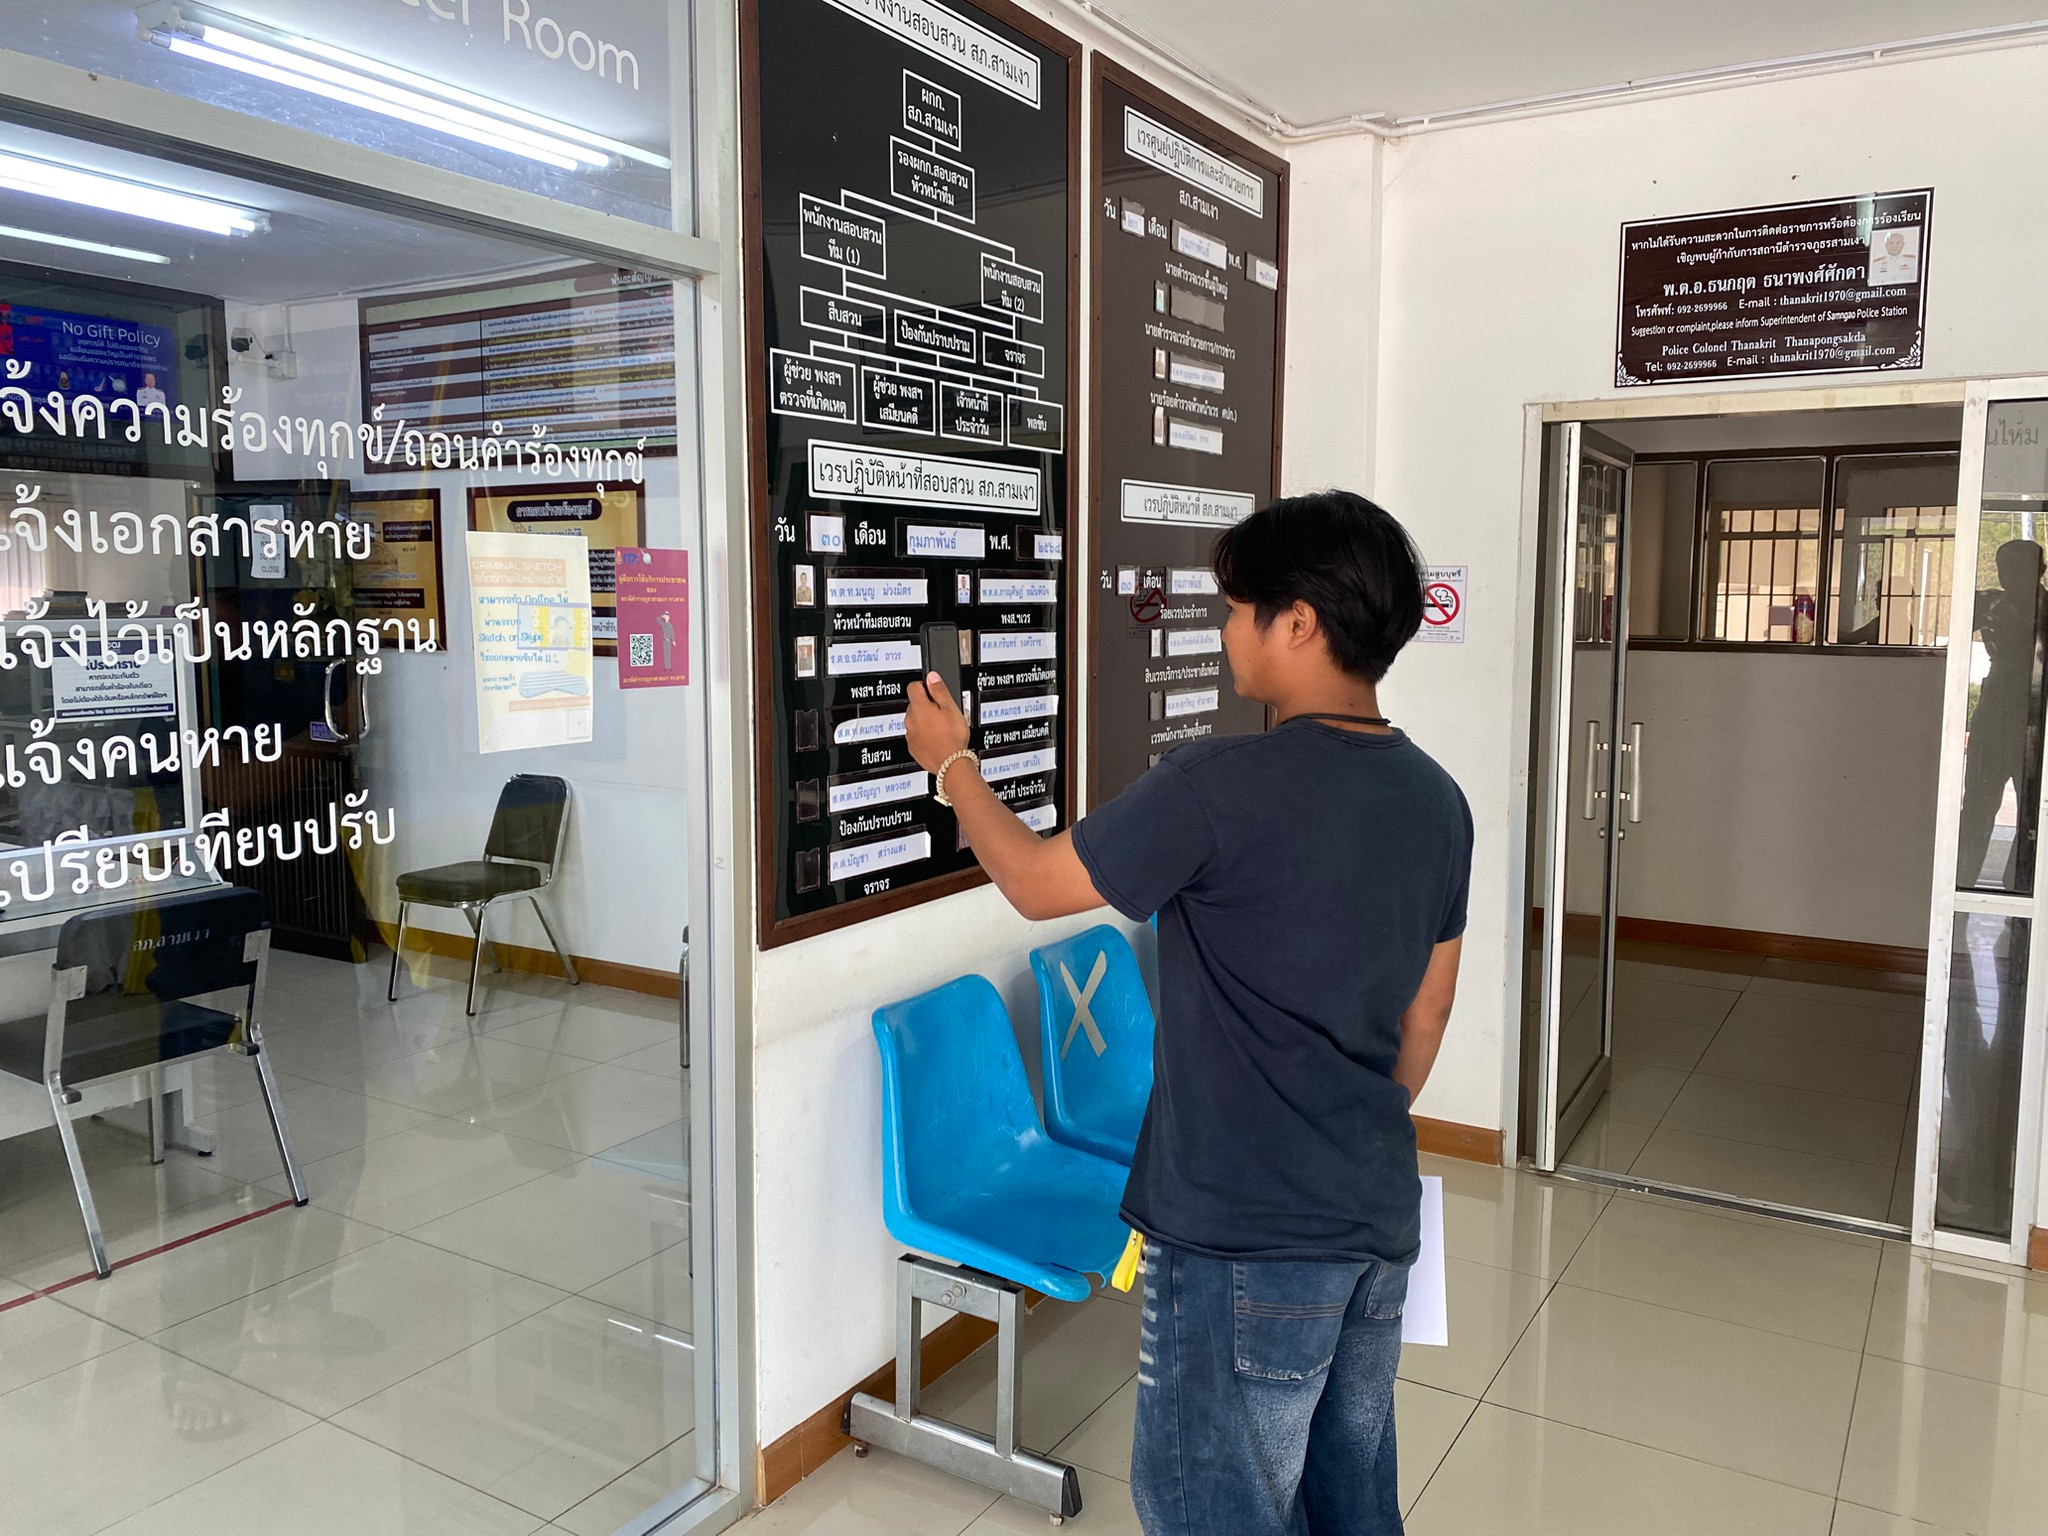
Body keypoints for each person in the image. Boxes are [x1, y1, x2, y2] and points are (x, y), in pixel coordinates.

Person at [904, 489, 1472, 1536]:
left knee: (1213, 1509)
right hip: (1375, 1218)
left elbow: (1032, 882)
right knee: (1350, 1502)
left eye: (1236, 609)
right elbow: (1426, 1016)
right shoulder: (1438, 801)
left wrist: (951, 764)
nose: (1223, 631)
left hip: (1237, 1233)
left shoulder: (1216, 785)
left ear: (1298, 621)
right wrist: (1336, 1133)